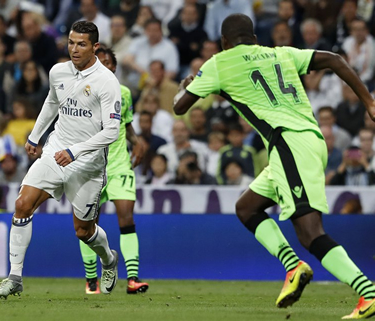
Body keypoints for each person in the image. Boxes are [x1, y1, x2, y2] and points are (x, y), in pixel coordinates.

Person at [173, 13, 375, 319]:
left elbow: (179, 107)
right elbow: (335, 60)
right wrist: (369, 102)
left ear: (224, 43)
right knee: (247, 207)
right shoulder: (280, 53)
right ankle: (293, 267)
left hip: (289, 144)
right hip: (307, 141)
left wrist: (188, 83)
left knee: (310, 233)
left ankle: (368, 293)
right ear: (254, 39)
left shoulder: (218, 62)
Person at [0, 21, 121, 298]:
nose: (74, 49)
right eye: (71, 43)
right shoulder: (57, 71)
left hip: (87, 164)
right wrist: (35, 137)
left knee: (83, 231)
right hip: (55, 151)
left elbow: (112, 131)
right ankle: (14, 277)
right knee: (22, 204)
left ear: (95, 47)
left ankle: (109, 260)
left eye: (82, 44)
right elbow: (52, 102)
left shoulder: (107, 82)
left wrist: (75, 152)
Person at [78, 47, 148, 295]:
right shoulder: (81, 93)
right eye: (98, 62)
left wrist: (137, 141)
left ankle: (132, 279)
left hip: (119, 165)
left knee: (126, 218)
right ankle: (91, 280)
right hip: (90, 168)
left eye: (107, 63)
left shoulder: (125, 94)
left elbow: (126, 125)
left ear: (114, 68)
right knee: (88, 226)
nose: (103, 66)